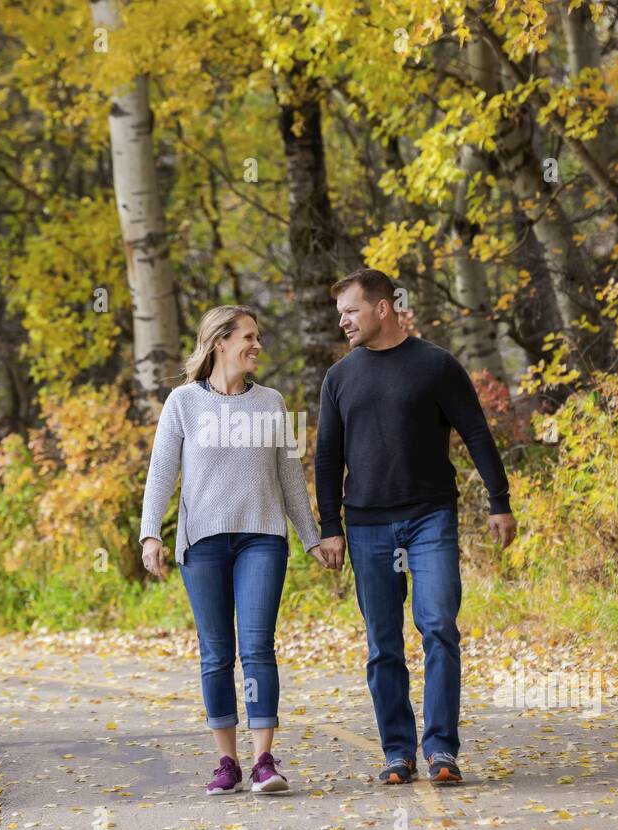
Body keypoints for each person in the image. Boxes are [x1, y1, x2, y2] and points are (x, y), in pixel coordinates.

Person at [314, 269, 518, 785]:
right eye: (340, 313)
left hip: (431, 518)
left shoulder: (436, 366)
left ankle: (441, 750)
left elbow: (475, 432)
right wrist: (329, 527)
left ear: (383, 308)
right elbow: (326, 457)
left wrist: (499, 501)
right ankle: (397, 752)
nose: (343, 321)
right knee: (383, 643)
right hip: (365, 526)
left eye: (350, 310)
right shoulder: (339, 378)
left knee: (438, 628)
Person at [139, 305, 326, 795]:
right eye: (248, 337)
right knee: (216, 653)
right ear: (219, 341)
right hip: (202, 542)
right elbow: (161, 472)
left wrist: (311, 536)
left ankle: (264, 759)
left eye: (258, 337)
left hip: (262, 537)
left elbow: (290, 477)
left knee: (258, 646)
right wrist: (150, 534)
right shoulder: (182, 403)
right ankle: (228, 761)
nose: (257, 345)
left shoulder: (271, 403)